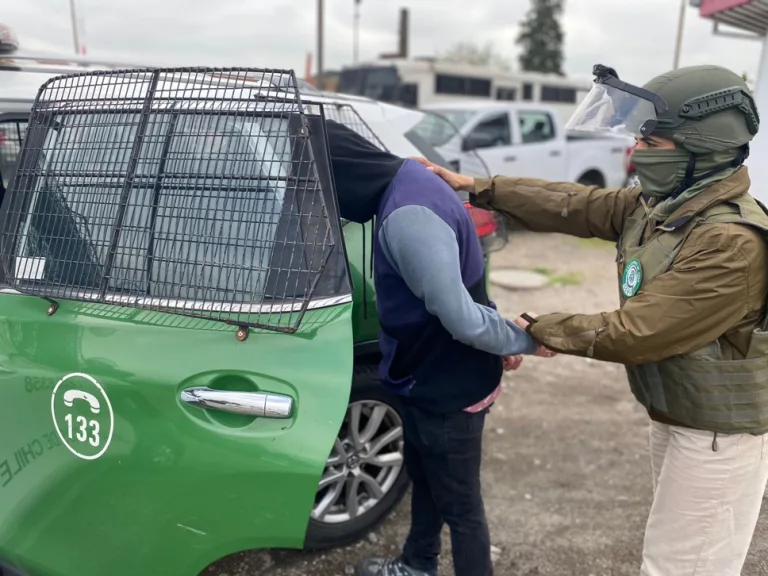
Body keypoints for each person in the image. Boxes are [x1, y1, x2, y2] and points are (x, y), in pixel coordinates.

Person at [415, 63, 768, 576]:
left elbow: (639, 332)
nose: (637, 151)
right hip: (680, 412)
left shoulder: (729, 242)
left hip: (717, 434)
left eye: (654, 142)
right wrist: (477, 186)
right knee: (674, 548)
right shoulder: (668, 204)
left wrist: (539, 327)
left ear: (703, 149)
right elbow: (575, 203)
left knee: (682, 565)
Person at [323, 119, 555, 576]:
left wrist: (521, 339)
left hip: (447, 384)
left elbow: (459, 316)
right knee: (426, 479)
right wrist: (499, 339)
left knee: (461, 507)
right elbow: (462, 289)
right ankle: (418, 564)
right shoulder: (410, 175)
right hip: (425, 376)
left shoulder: (408, 214)